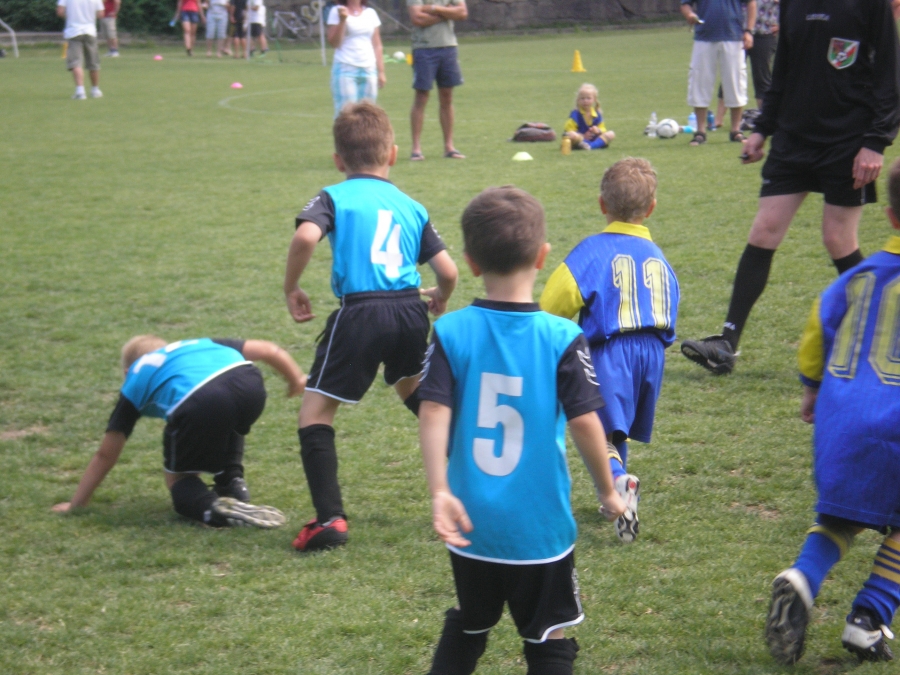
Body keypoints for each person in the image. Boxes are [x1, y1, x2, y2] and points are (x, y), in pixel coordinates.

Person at [417, 186, 627, 675]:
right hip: (540, 527)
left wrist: (439, 490)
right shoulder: (562, 337)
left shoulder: (450, 331)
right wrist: (607, 490)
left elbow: (432, 411)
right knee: (548, 637)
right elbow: (584, 421)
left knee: (471, 621)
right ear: (542, 256)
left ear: (471, 263)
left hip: (470, 522)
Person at [681, 0, 900, 375]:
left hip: (847, 140)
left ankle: (887, 334)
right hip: (793, 138)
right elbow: (782, 71)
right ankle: (726, 344)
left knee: (838, 239)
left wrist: (876, 142)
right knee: (764, 230)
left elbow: (889, 75)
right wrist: (762, 129)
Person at [284, 102, 458, 552]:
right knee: (415, 391)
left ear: (338, 160)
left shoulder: (333, 196)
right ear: (393, 154)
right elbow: (449, 271)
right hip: (409, 311)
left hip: (360, 313)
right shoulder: (411, 205)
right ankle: (479, 476)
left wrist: (292, 286)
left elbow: (305, 236)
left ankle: (330, 519)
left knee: (315, 412)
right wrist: (440, 297)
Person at [763, 159, 900, 665]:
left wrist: (811, 390)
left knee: (840, 518)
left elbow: (817, 329)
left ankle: (802, 577)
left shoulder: (856, 277)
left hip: (842, 421)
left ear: (890, 215)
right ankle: (868, 618)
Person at [541, 158, 679, 545]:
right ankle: (618, 501)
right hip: (652, 353)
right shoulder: (658, 255)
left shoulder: (593, 251)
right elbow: (672, 302)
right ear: (651, 208)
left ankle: (619, 480)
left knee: (592, 424)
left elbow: (554, 303)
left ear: (602, 204)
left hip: (610, 351)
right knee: (616, 426)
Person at [51, 336, 307, 529]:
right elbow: (267, 349)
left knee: (180, 479)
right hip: (249, 383)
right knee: (227, 422)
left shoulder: (136, 377)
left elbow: (106, 454)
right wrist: (295, 379)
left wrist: (77, 503)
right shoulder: (198, 344)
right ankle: (231, 484)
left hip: (200, 400)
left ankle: (212, 509)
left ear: (127, 371)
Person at [681, 0, 757, 145]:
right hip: (704, 37)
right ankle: (700, 131)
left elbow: (751, 3)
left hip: (733, 36)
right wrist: (689, 14)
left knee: (735, 83)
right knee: (700, 82)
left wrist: (749, 31)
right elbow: (685, 3)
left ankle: (736, 130)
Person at [407, 0, 467, 161]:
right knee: (421, 96)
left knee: (447, 97)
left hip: (448, 47)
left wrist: (434, 9)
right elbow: (417, 18)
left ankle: (449, 147)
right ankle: (416, 149)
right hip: (424, 49)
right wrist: (447, 13)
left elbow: (462, 13)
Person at [713, 0, 778, 127]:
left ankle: (766, 119)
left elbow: (791, 7)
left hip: (764, 34)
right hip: (739, 34)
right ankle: (718, 120)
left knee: (762, 77)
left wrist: (781, 24)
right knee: (730, 74)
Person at [326, 0, 386, 117]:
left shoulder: (370, 13)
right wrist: (342, 20)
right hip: (345, 68)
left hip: (369, 69)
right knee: (346, 115)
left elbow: (377, 45)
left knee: (368, 115)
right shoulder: (337, 11)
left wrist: (381, 71)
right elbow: (334, 43)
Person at [57, 0, 104, 100]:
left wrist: (70, 16)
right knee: (93, 62)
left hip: (73, 31)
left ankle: (80, 91)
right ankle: (95, 90)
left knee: (75, 62)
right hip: (90, 31)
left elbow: (60, 12)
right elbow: (101, 13)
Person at [561, 83, 616, 151]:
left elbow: (603, 129)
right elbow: (568, 131)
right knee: (571, 135)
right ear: (578, 100)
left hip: (593, 140)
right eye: (582, 98)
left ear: (594, 99)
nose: (585, 101)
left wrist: (598, 130)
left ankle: (590, 146)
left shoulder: (597, 114)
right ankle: (585, 145)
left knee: (611, 134)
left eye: (588, 98)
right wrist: (583, 136)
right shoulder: (576, 114)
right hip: (580, 140)